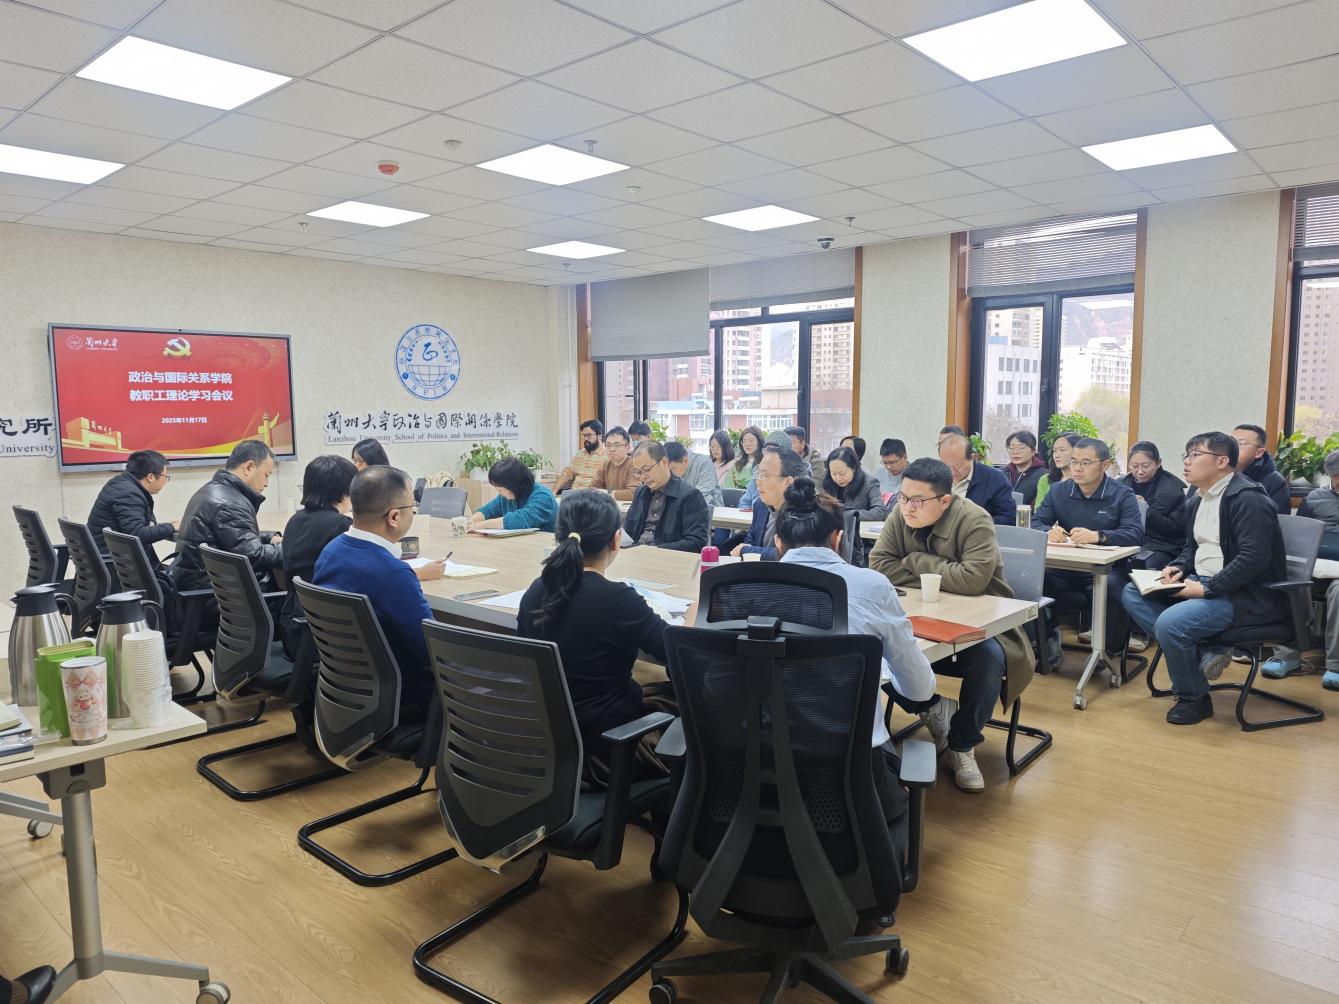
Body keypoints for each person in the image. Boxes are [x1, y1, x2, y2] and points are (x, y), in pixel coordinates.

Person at [772, 479, 937, 824]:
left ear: (777, 542)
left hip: (753, 770)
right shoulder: (871, 586)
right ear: (838, 539)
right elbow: (919, 690)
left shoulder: (739, 585)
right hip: (847, 781)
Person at [869, 458, 1034, 792]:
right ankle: (932, 708)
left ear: (945, 500)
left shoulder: (974, 519)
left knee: (989, 658)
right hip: (919, 616)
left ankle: (962, 745)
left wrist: (915, 560)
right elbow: (879, 564)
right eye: (903, 497)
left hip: (981, 622)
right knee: (871, 646)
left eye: (918, 500)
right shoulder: (900, 514)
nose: (908, 507)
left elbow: (973, 580)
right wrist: (943, 573)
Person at [518, 490, 686, 778]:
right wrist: (690, 622)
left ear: (559, 537)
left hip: (546, 738)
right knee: (684, 698)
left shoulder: (536, 590)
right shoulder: (618, 599)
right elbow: (677, 653)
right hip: (607, 748)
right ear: (616, 540)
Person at [1121, 432, 1287, 724]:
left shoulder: (1249, 499)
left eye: (1195, 455)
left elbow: (1254, 558)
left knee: (1171, 624)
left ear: (1222, 461)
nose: (1186, 461)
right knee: (1132, 592)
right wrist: (1178, 567)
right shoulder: (1197, 497)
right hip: (1202, 581)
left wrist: (1207, 589)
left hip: (1243, 594)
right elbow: (1192, 548)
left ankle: (1193, 698)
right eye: (1186, 455)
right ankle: (1203, 649)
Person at [312, 466, 441, 712]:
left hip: (344, 689)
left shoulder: (331, 551)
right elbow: (432, 652)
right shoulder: (393, 573)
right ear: (394, 517)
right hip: (400, 695)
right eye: (412, 507)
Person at [1032, 438, 1143, 665]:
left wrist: (1099, 536)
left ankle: (1107, 653)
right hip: (1065, 567)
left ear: (1104, 465)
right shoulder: (1058, 491)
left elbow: (1135, 534)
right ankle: (1047, 641)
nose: (1077, 468)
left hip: (1106, 568)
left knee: (1112, 589)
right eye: (1074, 462)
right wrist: (1047, 532)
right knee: (1033, 583)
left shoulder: (1122, 494)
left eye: (1085, 463)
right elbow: (1037, 522)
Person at [278, 455, 369, 659]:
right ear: (345, 490)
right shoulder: (341, 526)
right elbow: (366, 575)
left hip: (293, 627)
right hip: (326, 639)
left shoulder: (295, 519)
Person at [1263, 448, 1339, 685]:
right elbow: (1301, 533)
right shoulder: (1315, 497)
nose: (1338, 481)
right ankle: (1287, 655)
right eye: (1334, 476)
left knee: (1338, 592)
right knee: (1292, 584)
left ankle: (1335, 664)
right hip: (1316, 562)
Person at [172, 439, 282, 594]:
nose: (267, 483)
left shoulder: (212, 490)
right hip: (215, 596)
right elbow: (254, 556)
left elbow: (232, 536)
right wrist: (289, 548)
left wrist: (268, 537)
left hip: (198, 585)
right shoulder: (231, 503)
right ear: (249, 467)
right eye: (266, 475)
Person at [86, 449, 176, 564]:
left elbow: (134, 527)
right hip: (116, 564)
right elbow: (136, 534)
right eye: (165, 476)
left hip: (107, 559)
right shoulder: (128, 494)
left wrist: (165, 526)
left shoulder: (121, 484)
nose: (165, 481)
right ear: (151, 477)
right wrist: (172, 527)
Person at [622, 441, 709, 552]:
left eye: (647, 470)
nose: (643, 477)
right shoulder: (641, 492)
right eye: (638, 472)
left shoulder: (690, 496)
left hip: (667, 558)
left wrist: (655, 551)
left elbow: (696, 542)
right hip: (637, 554)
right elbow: (628, 531)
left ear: (664, 462)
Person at [728, 444, 807, 559]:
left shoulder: (804, 511)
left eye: (764, 475)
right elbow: (750, 541)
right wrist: (748, 549)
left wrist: (747, 550)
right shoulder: (760, 505)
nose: (758, 481)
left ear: (788, 482)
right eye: (758, 474)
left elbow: (791, 555)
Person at [1120, 441, 1187, 569]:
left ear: (1158, 463)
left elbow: (1177, 530)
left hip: (1162, 546)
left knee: (1139, 564)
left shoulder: (1172, 489)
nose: (1140, 471)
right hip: (1127, 542)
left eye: (1146, 466)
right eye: (1134, 466)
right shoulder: (1122, 484)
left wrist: (1145, 509)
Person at [938, 433, 1016, 526]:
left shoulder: (995, 479)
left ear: (972, 458)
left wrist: (974, 523)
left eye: (957, 466)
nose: (951, 471)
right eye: (946, 466)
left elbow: (1009, 518)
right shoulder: (936, 477)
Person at [471, 457, 557, 531]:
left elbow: (520, 520)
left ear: (514, 485)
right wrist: (470, 522)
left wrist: (481, 525)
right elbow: (488, 511)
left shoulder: (543, 496)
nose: (500, 493)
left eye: (501, 489)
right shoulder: (508, 496)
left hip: (544, 542)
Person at [1233, 423, 1290, 514]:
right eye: (1231, 442)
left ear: (1259, 453)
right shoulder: (1219, 473)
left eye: (1240, 443)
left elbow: (1277, 518)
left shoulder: (1275, 481)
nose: (1232, 448)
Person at [665, 440, 722, 508]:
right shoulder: (669, 471)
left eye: (672, 469)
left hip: (711, 511)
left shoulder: (704, 463)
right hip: (682, 509)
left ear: (685, 460)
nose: (669, 474)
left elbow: (701, 496)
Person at [555, 419, 606, 492]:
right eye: (584, 435)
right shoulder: (580, 454)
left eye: (589, 435)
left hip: (592, 495)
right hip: (573, 494)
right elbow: (567, 473)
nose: (585, 439)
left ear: (600, 435)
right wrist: (554, 491)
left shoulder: (608, 456)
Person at [589, 425, 637, 501]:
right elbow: (592, 488)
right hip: (609, 505)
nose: (612, 449)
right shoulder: (606, 464)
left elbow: (633, 493)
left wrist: (607, 493)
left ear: (627, 448)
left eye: (616, 445)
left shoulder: (634, 464)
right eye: (608, 445)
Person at [1034, 431, 1080, 507]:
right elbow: (1039, 510)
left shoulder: (1084, 480)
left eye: (1062, 450)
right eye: (1054, 451)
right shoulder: (1045, 480)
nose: (1057, 455)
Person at [1004, 431, 1047, 506]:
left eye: (1021, 448)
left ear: (1033, 451)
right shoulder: (1001, 473)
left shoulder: (1044, 475)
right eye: (1011, 448)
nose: (1015, 452)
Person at [728, 425, 765, 490]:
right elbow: (728, 487)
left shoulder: (764, 463)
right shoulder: (736, 463)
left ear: (759, 442)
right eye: (744, 441)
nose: (747, 444)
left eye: (751, 440)